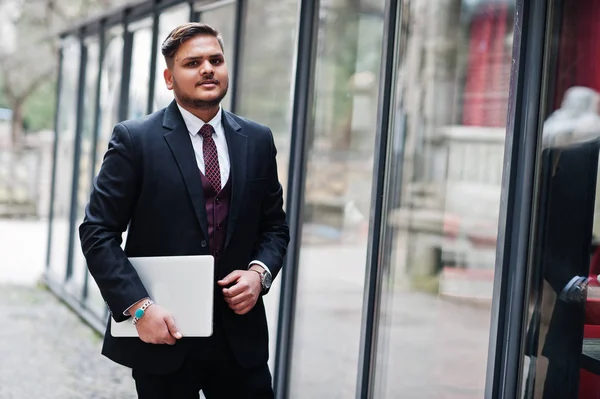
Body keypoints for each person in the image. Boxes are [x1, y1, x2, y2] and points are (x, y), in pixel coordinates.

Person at [79, 22, 289, 399]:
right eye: (193, 63)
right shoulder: (135, 140)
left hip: (240, 341)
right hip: (163, 334)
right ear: (169, 78)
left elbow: (274, 227)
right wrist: (139, 309)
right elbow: (97, 232)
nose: (208, 68)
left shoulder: (258, 140)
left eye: (216, 60)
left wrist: (259, 275)